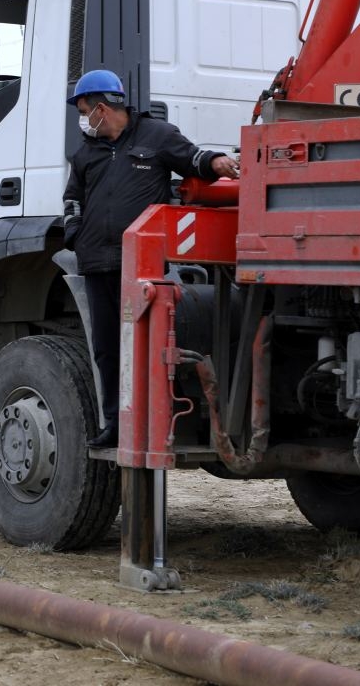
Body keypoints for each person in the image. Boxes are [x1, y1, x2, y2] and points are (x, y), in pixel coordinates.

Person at [62, 70, 238, 447]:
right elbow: (72, 200)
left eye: (83, 110)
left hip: (142, 265)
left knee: (146, 346)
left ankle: (151, 423)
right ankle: (115, 425)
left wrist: (217, 161)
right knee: (108, 349)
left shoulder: (156, 136)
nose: (82, 118)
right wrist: (75, 234)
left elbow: (192, 157)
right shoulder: (85, 153)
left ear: (102, 108)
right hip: (97, 264)